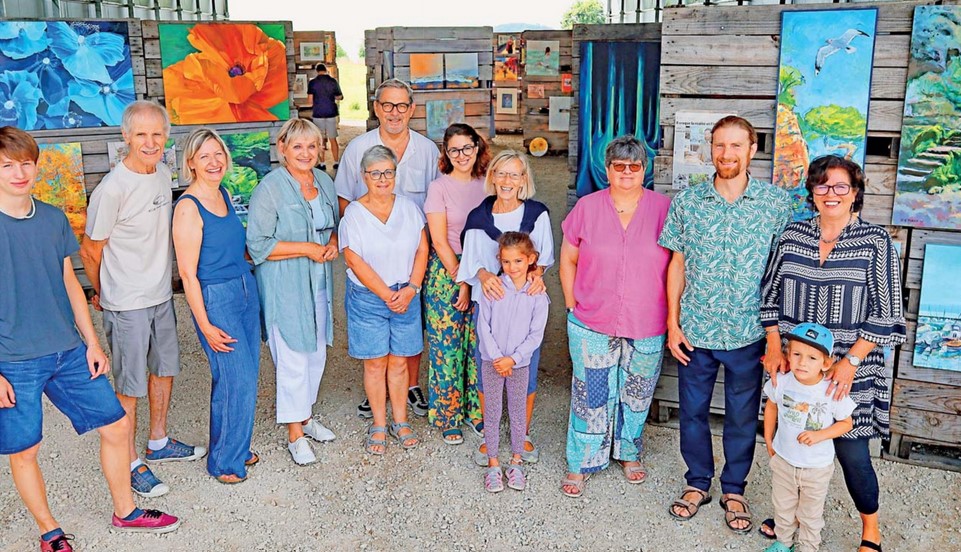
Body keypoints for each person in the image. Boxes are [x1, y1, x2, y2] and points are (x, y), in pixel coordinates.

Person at [0, 126, 180, 552]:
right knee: (25, 450)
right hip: (13, 361)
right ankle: (50, 532)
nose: (19, 173)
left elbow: (69, 283)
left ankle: (127, 511)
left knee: (117, 426)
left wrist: (93, 344)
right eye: (8, 165)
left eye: (26, 163)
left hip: (67, 351)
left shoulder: (52, 218)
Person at [760, 155, 906, 552]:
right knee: (792, 437)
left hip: (850, 369)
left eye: (841, 186)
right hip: (797, 367)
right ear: (811, 191)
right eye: (822, 186)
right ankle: (790, 517)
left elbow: (888, 313)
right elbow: (768, 297)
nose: (831, 193)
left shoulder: (875, 242)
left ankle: (870, 530)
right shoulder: (792, 235)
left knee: (852, 452)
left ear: (855, 193)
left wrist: (850, 361)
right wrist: (775, 345)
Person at [659, 116, 791, 532]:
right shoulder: (688, 202)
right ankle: (697, 483)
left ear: (753, 150)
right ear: (710, 149)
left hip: (749, 333)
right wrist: (672, 323)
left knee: (741, 415)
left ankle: (734, 488)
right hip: (695, 330)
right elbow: (676, 264)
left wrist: (777, 338)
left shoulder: (775, 204)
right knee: (693, 413)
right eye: (719, 146)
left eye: (736, 146)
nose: (727, 154)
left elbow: (782, 272)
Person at [80, 100, 205, 499]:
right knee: (130, 385)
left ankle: (159, 441)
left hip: (160, 296)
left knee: (164, 369)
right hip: (126, 303)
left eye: (157, 134)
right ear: (125, 137)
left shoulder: (163, 173)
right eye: (141, 134)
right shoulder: (112, 189)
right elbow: (90, 250)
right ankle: (131, 460)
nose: (150, 142)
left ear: (166, 136)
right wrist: (103, 292)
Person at [558, 136, 672, 498]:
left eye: (634, 166)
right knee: (590, 393)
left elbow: (677, 265)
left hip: (647, 319)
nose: (626, 172)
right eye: (618, 166)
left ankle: (628, 452)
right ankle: (582, 460)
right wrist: (571, 304)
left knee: (636, 393)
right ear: (607, 170)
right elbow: (568, 259)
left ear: (645, 170)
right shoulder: (587, 207)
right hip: (592, 317)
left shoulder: (664, 209)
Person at [335, 78, 438, 420]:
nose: (395, 112)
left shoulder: (427, 150)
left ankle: (409, 385)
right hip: (374, 254)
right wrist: (359, 239)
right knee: (375, 327)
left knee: (412, 322)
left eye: (402, 106)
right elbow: (344, 198)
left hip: (417, 252)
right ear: (377, 108)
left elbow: (437, 198)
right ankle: (376, 389)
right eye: (387, 105)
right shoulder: (357, 149)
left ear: (412, 109)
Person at [247, 119, 339, 466]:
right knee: (292, 358)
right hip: (285, 284)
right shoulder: (270, 188)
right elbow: (257, 245)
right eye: (297, 146)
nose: (305, 153)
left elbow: (333, 228)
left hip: (319, 284)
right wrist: (306, 248)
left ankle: (305, 415)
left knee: (316, 355)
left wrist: (330, 243)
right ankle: (294, 434)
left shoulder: (325, 182)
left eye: (312, 146)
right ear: (282, 148)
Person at [172, 128, 261, 483]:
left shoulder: (223, 192)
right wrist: (206, 325)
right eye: (204, 156)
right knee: (233, 379)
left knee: (247, 376)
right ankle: (224, 461)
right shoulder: (188, 208)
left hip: (244, 288)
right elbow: (188, 275)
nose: (214, 161)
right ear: (191, 162)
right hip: (216, 298)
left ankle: (236, 445)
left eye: (219, 154)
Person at [459, 149, 553, 464]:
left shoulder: (537, 214)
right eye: (501, 173)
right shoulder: (479, 217)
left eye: (514, 174)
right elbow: (471, 263)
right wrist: (485, 275)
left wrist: (537, 276)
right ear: (492, 177)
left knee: (523, 371)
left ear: (524, 179)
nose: (507, 180)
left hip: (524, 307)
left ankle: (520, 435)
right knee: (489, 369)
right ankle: (490, 438)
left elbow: (543, 259)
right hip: (491, 306)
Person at [339, 145, 428, 455]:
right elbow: (353, 259)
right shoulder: (354, 213)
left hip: (406, 293)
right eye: (375, 173)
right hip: (369, 299)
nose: (382, 179)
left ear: (395, 174)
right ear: (364, 176)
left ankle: (400, 421)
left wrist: (412, 288)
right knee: (375, 363)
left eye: (387, 172)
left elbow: (422, 249)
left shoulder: (408, 209)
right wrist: (387, 295)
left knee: (401, 361)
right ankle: (379, 423)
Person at [424, 124, 490, 445]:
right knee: (447, 346)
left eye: (467, 148)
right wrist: (462, 278)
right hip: (447, 271)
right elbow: (438, 238)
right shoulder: (439, 187)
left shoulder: (489, 184)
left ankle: (477, 412)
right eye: (454, 150)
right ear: (446, 154)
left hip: (483, 270)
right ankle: (448, 414)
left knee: (480, 344)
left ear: (477, 147)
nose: (461, 155)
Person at [762, 323, 855, 552]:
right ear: (788, 355)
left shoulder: (831, 390)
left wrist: (819, 435)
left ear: (826, 362)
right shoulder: (781, 382)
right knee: (782, 506)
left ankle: (808, 547)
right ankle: (783, 543)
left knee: (810, 513)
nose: (802, 362)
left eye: (812, 358)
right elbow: (771, 406)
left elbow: (846, 423)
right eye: (797, 354)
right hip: (785, 460)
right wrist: (768, 438)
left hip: (816, 467)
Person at [477, 232, 549, 493]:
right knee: (493, 412)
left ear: (530, 260)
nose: (512, 267)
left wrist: (513, 358)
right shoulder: (493, 288)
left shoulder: (537, 296)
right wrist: (497, 357)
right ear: (500, 261)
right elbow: (483, 326)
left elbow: (536, 334)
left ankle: (516, 462)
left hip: (519, 364)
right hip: (492, 362)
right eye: (506, 262)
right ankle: (493, 464)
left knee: (518, 413)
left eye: (518, 261)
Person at [306, 63, 343, 171]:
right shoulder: (332, 81)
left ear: (317, 71)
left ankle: (322, 163)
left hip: (318, 113)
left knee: (320, 140)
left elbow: (310, 101)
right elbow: (339, 96)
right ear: (326, 70)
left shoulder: (312, 83)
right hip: (331, 112)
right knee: (333, 139)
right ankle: (336, 162)